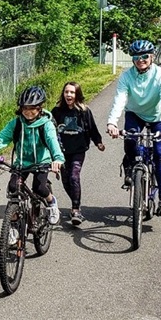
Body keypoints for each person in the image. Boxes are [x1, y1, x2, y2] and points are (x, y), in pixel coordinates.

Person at [106, 39, 161, 217]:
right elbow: (120, 99)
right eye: (137, 57)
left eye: (145, 56)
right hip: (135, 114)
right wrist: (112, 122)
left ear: (152, 57)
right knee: (130, 142)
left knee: (160, 153)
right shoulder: (126, 76)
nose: (141, 59)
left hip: (158, 117)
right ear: (132, 59)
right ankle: (132, 166)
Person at [0, 86, 65, 225]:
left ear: (40, 108)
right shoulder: (17, 123)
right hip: (22, 163)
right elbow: (1, 138)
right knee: (13, 189)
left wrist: (58, 159)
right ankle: (12, 226)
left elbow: (52, 141)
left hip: (42, 162)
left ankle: (51, 202)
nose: (28, 112)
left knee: (39, 188)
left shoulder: (46, 125)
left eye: (33, 108)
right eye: (25, 108)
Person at [51, 82, 105, 225]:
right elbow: (49, 131)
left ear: (77, 95)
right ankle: (76, 202)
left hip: (78, 150)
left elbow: (92, 128)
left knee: (74, 177)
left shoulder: (84, 111)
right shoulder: (56, 112)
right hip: (61, 152)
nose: (69, 95)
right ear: (63, 94)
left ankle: (76, 210)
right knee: (66, 181)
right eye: (66, 92)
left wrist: (98, 142)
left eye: (72, 92)